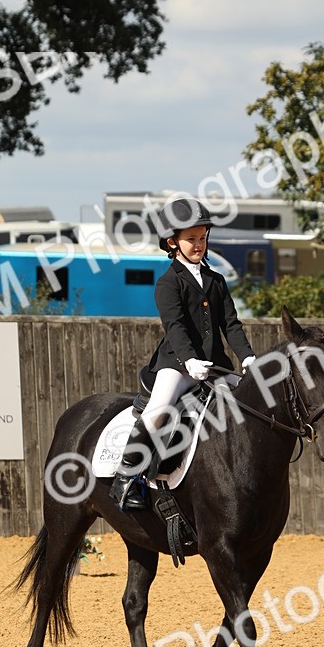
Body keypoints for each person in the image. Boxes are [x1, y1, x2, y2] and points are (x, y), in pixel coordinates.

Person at [109, 196, 256, 510]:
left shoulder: (216, 280)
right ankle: (125, 477)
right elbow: (174, 327)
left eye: (202, 238)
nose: (199, 244)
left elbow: (231, 324)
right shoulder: (168, 283)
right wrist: (189, 360)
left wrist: (247, 357)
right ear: (172, 242)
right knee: (158, 409)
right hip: (177, 364)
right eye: (191, 239)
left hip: (215, 366)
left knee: (251, 402)